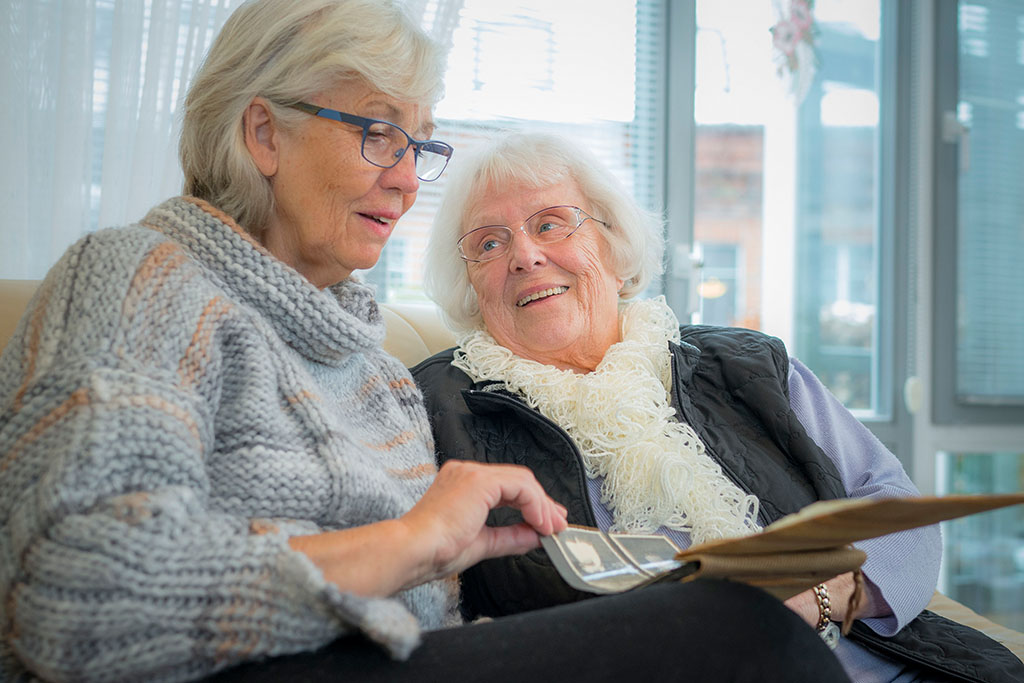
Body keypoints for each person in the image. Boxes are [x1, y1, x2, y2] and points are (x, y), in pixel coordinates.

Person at [0, 2, 858, 682]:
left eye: (418, 143)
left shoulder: (375, 373)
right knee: (740, 633)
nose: (407, 179)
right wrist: (412, 542)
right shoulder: (139, 279)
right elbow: (76, 596)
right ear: (264, 134)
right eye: (377, 132)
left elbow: (441, 627)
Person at [412, 130, 1024, 683]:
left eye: (550, 224)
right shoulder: (436, 410)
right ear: (469, 280)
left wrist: (824, 597)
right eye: (489, 243)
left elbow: (892, 503)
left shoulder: (747, 367)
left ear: (613, 241)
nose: (524, 255)